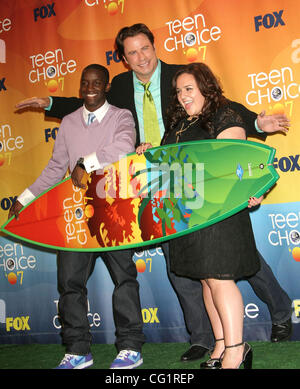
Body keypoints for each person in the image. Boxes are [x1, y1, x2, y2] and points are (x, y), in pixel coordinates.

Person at [15, 23, 292, 362]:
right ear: (124, 59)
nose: (140, 57)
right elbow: (88, 98)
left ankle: (280, 313)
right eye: (131, 53)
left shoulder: (180, 77)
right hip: (158, 183)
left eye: (144, 48)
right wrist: (51, 102)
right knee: (184, 265)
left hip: (202, 178)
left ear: (153, 46)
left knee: (231, 261)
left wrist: (256, 124)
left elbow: (223, 107)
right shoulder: (117, 86)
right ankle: (204, 339)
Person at [9, 64, 145, 369]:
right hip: (74, 215)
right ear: (80, 87)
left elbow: (124, 147)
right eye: (85, 83)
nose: (90, 87)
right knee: (69, 283)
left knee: (124, 279)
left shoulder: (121, 116)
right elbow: (56, 168)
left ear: (106, 87)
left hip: (114, 212)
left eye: (97, 83)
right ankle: (77, 350)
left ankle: (130, 346)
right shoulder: (69, 122)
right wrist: (25, 198)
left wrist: (86, 162)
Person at [153, 61, 263, 368]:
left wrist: (255, 190)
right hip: (188, 216)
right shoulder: (177, 126)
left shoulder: (225, 115)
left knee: (219, 279)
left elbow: (234, 165)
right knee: (205, 281)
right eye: (178, 92)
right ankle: (219, 345)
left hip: (219, 214)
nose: (183, 96)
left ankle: (236, 349)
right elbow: (166, 171)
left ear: (206, 88)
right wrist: (149, 156)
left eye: (189, 89)